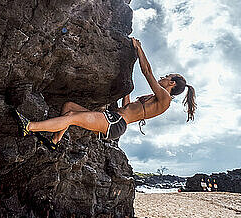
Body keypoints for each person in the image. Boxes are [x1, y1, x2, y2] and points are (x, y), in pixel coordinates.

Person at [14, 37, 197, 150]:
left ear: (171, 83)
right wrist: (128, 74)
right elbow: (127, 107)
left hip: (115, 123)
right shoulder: (154, 99)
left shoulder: (165, 98)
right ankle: (54, 141)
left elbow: (147, 72)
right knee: (69, 107)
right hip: (113, 118)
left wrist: (139, 49)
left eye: (166, 77)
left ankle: (29, 127)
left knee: (70, 117)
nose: (162, 78)